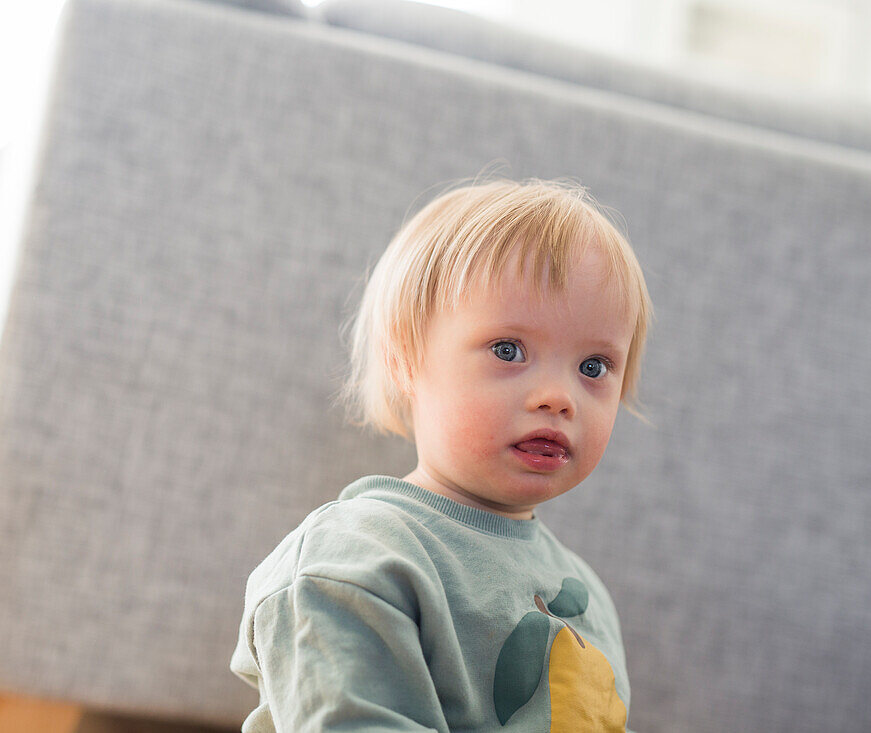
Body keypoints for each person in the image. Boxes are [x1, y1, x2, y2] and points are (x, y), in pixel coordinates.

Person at [230, 178, 652, 732]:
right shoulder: (356, 559)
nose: (559, 397)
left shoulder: (582, 594)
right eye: (509, 350)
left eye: (594, 367)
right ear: (407, 358)